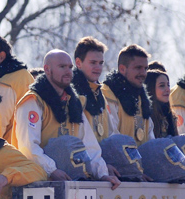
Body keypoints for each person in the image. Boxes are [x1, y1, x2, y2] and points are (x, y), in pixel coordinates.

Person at [12, 50, 119, 186]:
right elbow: (27, 148)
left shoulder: (74, 103)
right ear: (47, 69)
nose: (68, 71)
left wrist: (102, 174)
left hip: (73, 181)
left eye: (70, 67)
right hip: (40, 184)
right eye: (62, 67)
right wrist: (52, 170)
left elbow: (89, 145)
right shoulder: (32, 101)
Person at [103, 44, 152, 143]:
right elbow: (113, 141)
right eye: (138, 67)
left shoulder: (142, 100)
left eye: (145, 68)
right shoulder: (108, 95)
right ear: (122, 69)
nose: (143, 73)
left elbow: (151, 139)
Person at [72, 37, 111, 141]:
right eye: (93, 63)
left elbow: (112, 134)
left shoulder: (101, 93)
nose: (98, 68)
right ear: (78, 63)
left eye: (101, 63)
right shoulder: (70, 93)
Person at [147, 62, 178, 139]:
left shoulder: (171, 116)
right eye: (162, 86)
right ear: (151, 89)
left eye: (168, 85)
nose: (167, 89)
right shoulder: (146, 117)